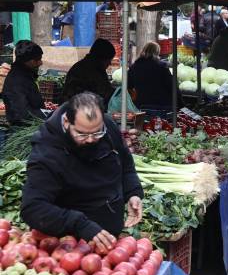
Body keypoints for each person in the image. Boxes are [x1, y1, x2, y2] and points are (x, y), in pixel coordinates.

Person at [21, 92, 143, 253]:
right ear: (66, 122)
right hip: (67, 249)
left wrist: (133, 193)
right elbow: (33, 208)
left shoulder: (107, 126)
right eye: (82, 134)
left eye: (97, 133)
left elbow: (126, 164)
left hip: (109, 243)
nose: (91, 139)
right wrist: (80, 224)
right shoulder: (47, 153)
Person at [3, 40, 45, 126]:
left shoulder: (25, 76)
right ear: (29, 61)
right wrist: (47, 115)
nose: (41, 63)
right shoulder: (16, 81)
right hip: (22, 129)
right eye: (38, 60)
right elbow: (22, 114)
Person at [62, 38, 116, 105]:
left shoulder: (82, 66)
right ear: (102, 58)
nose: (109, 63)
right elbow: (104, 94)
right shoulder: (92, 71)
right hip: (81, 110)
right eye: (109, 60)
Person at [127, 42, 176, 114]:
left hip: (141, 106)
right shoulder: (162, 67)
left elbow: (128, 86)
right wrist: (181, 104)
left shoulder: (134, 67)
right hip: (162, 107)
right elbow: (172, 86)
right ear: (156, 53)